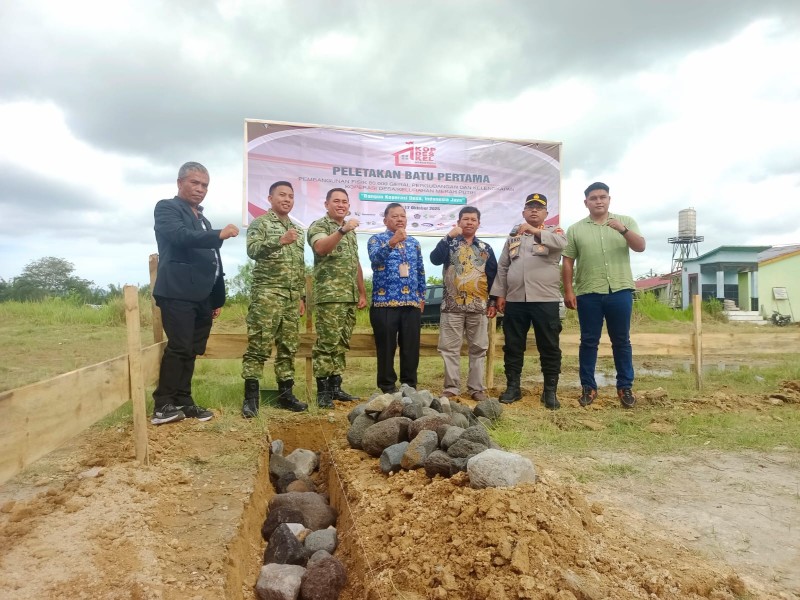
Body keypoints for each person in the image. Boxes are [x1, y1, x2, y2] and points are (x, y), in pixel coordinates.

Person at [151, 162, 239, 425]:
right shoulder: (167, 208)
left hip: (202, 296)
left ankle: (183, 401)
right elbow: (180, 237)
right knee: (178, 347)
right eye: (195, 183)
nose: (200, 189)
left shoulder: (203, 218)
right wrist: (217, 234)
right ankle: (163, 404)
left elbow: (213, 260)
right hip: (177, 291)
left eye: (205, 185)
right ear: (180, 183)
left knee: (191, 349)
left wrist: (215, 297)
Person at [562, 181, 646, 408]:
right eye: (593, 198)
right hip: (589, 293)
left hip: (620, 290)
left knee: (622, 341)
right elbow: (568, 261)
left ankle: (625, 387)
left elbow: (640, 247)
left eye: (603, 197)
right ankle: (588, 387)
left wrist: (623, 230)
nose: (598, 201)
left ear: (609, 199)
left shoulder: (625, 222)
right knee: (589, 341)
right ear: (586, 202)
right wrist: (569, 290)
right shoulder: (575, 229)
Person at [491, 193, 566, 409]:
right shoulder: (513, 237)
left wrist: (535, 231)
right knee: (513, 346)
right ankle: (513, 387)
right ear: (523, 212)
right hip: (515, 300)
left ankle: (550, 391)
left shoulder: (555, 232)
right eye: (530, 207)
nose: (534, 210)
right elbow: (503, 267)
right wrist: (500, 294)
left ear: (546, 213)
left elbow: (562, 244)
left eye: (539, 207)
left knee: (549, 346)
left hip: (545, 299)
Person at [240, 181, 308, 417]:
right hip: (267, 294)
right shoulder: (261, 223)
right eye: (282, 195)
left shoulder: (298, 230)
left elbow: (300, 266)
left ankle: (285, 395)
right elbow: (252, 250)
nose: (287, 199)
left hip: (291, 298)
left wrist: (301, 297)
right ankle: (251, 398)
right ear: (270, 198)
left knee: (288, 347)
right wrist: (278, 240)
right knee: (259, 345)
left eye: (290, 196)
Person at [307, 188, 368, 408]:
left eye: (344, 202)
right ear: (326, 204)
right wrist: (342, 230)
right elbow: (321, 248)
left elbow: (355, 263)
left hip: (349, 297)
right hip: (329, 298)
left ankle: (335, 386)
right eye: (336, 201)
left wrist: (361, 292)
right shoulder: (319, 226)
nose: (341, 205)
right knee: (327, 344)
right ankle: (322, 392)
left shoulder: (351, 232)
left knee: (341, 344)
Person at [430, 206, 497, 401]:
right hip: (452, 306)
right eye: (465, 219)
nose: (469, 222)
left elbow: (493, 276)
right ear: (458, 222)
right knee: (449, 349)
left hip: (478, 307)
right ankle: (451, 388)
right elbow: (434, 259)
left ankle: (476, 388)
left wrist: (493, 301)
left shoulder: (486, 248)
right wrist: (448, 236)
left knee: (478, 348)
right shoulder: (449, 244)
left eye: (473, 219)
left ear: (478, 223)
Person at [367, 203, 426, 393]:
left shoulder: (414, 242)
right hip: (384, 303)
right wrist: (392, 242)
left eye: (403, 216)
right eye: (395, 216)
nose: (400, 219)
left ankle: (409, 385)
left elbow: (420, 271)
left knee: (410, 348)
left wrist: (421, 296)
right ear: (385, 220)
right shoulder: (376, 240)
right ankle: (387, 386)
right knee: (386, 348)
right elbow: (375, 260)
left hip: (411, 303)